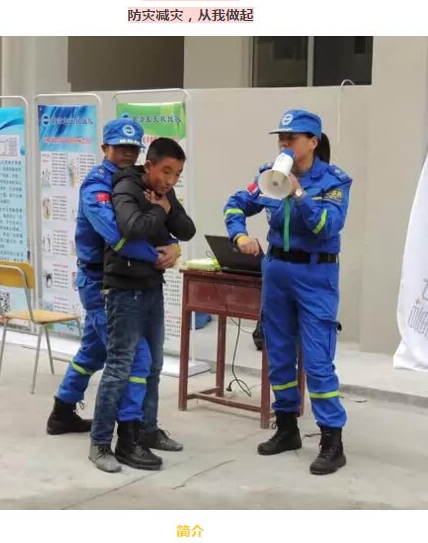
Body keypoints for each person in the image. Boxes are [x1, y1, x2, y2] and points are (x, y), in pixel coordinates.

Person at [223, 109, 352, 475]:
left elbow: (327, 226)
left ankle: (332, 441)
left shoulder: (333, 181)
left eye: (291, 138)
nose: (284, 144)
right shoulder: (269, 175)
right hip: (276, 271)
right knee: (278, 353)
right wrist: (239, 235)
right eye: (281, 138)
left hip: (315, 275)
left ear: (312, 142)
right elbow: (235, 204)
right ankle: (286, 428)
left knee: (317, 361)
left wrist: (297, 193)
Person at [46, 118, 180, 467]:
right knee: (134, 361)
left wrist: (174, 246)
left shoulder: (137, 182)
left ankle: (63, 410)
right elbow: (118, 236)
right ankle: (123, 436)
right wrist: (157, 256)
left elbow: (160, 222)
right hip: (102, 283)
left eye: (133, 148)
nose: (127, 154)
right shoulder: (97, 186)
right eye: (120, 147)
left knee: (93, 351)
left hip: (136, 279)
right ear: (104, 147)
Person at [89, 137, 196, 473]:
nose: (170, 180)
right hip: (124, 290)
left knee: (153, 365)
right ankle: (102, 442)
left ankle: (145, 431)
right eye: (166, 171)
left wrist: (170, 226)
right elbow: (132, 227)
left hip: (151, 287)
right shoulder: (126, 187)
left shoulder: (163, 193)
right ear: (149, 166)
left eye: (177, 175)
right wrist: (159, 211)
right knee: (121, 367)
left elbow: (187, 229)